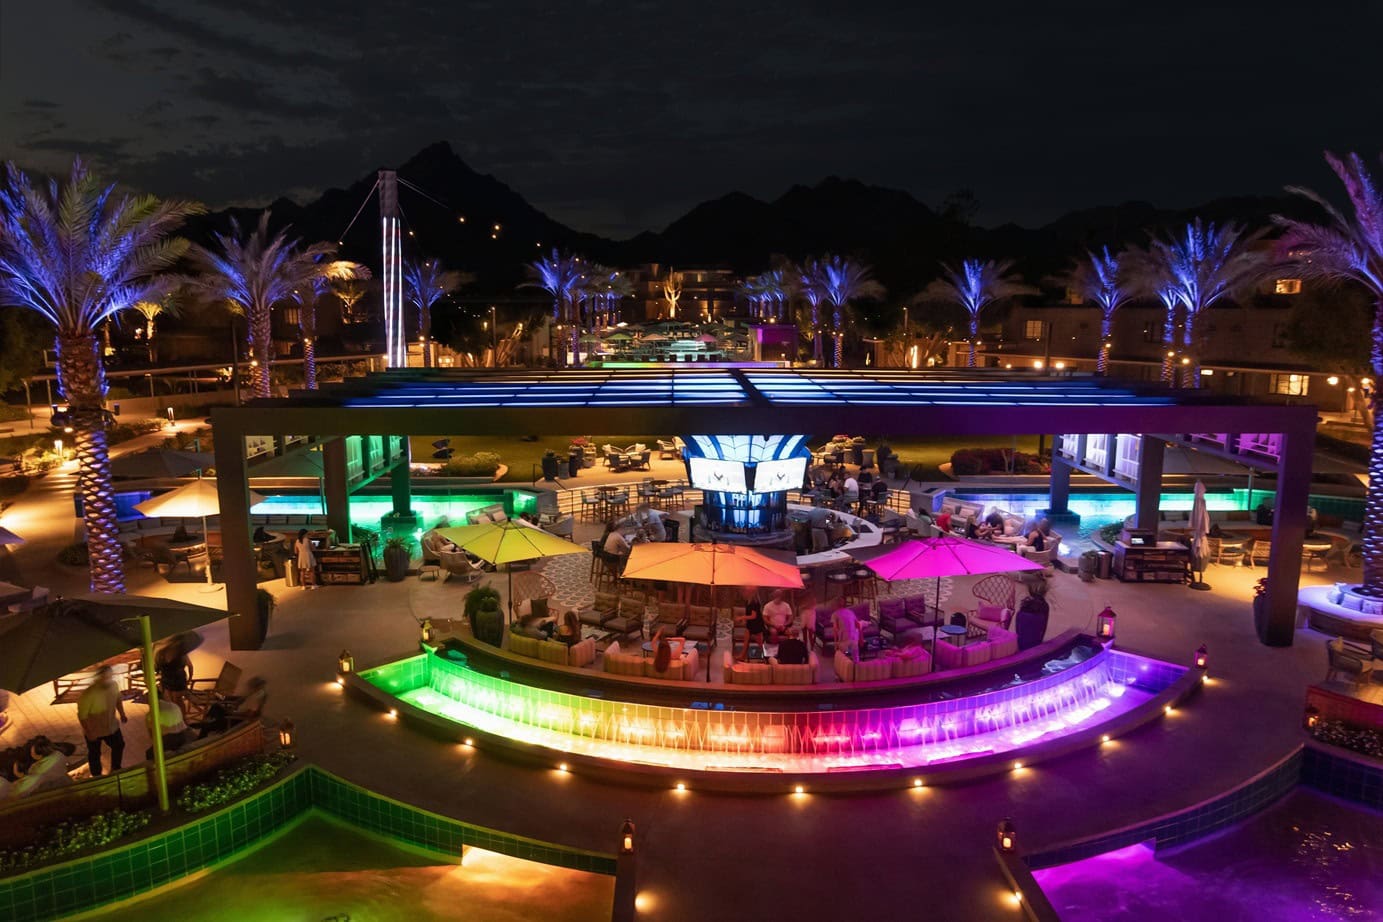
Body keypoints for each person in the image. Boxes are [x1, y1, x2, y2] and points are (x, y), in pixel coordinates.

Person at [77, 666, 127, 777]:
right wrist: (89, 732)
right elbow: (82, 716)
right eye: (105, 677)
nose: (108, 679)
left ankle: (116, 768)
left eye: (109, 677)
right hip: (94, 729)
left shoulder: (113, 685)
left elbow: (118, 699)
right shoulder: (88, 694)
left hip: (111, 726)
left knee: (119, 745)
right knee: (94, 753)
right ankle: (97, 776)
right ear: (99, 678)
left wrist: (122, 714)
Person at [145, 689, 192, 760]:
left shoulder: (151, 715)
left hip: (169, 739)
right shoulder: (174, 706)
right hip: (184, 734)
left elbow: (153, 736)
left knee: (149, 754)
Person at [155, 635, 194, 712]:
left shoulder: (181, 654)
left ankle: (182, 717)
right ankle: (175, 716)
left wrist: (189, 679)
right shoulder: (161, 654)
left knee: (177, 700)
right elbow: (157, 668)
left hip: (178, 680)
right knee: (170, 701)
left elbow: (190, 666)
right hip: (166, 680)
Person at [1014, 580, 1051, 650]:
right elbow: (1043, 629)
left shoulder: (1023, 609)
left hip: (1022, 643)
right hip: (1033, 644)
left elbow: (1018, 629)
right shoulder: (1043, 607)